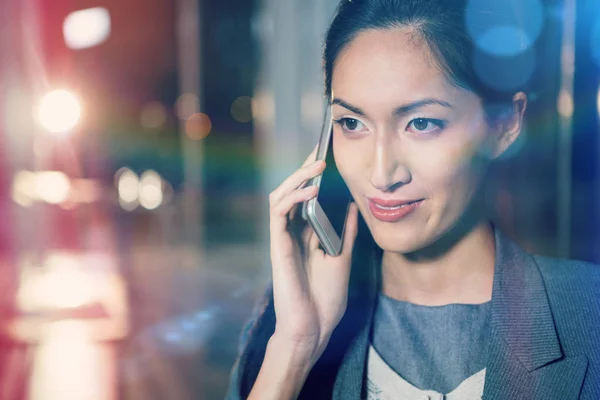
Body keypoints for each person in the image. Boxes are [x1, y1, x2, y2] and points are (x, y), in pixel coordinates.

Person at [227, 0, 600, 399]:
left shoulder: (588, 312)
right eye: (351, 123)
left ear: (504, 123)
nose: (381, 174)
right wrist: (295, 349)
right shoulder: (286, 324)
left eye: (421, 123)